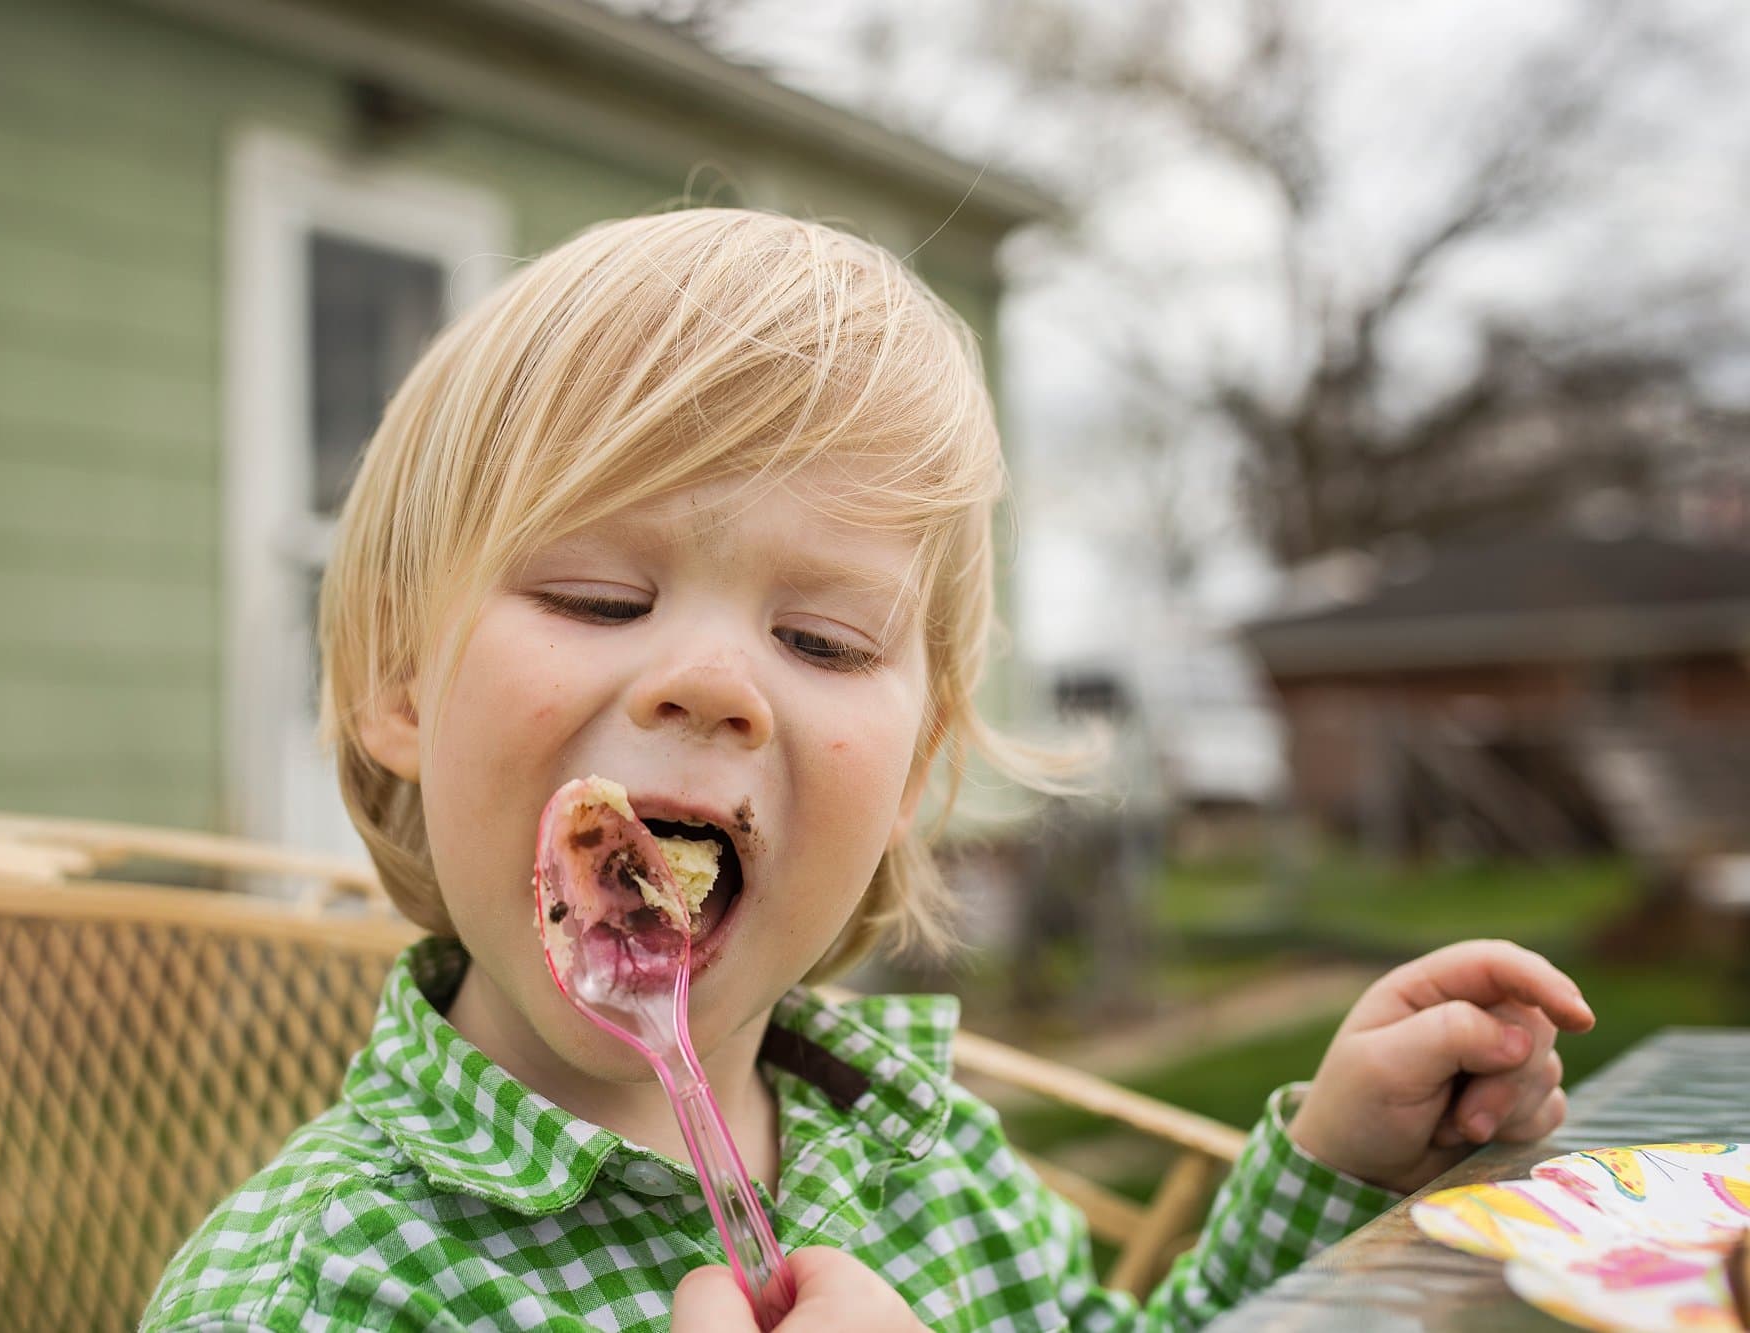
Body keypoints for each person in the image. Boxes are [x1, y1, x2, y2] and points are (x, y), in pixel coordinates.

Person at [142, 209, 1591, 1331]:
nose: (710, 681)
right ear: (399, 684)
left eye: (824, 640)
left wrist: (1333, 1173)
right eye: (597, 598)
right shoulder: (311, 1288)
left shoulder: (913, 1147)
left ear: (913, 772)